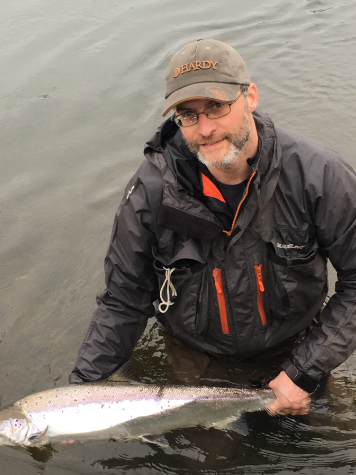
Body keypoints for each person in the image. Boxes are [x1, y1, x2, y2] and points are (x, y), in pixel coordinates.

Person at [69, 39, 356, 415]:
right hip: (197, 363)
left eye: (216, 107)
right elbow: (124, 301)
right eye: (188, 114)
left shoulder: (317, 176)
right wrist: (79, 396)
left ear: (250, 97)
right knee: (207, 468)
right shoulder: (150, 194)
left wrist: (304, 370)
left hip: (296, 347)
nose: (205, 128)